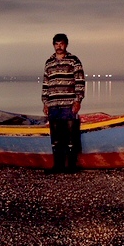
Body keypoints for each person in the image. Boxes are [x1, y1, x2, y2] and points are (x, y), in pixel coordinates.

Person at [41, 33, 85, 173]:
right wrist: (45, 103)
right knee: (56, 137)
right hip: (53, 104)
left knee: (70, 136)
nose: (59, 46)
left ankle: (71, 166)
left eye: (61, 43)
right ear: (53, 45)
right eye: (56, 44)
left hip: (68, 104)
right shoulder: (49, 62)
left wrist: (77, 100)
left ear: (66, 44)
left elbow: (80, 81)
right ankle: (57, 166)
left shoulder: (74, 60)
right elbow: (45, 84)